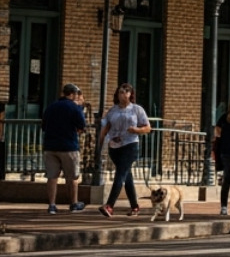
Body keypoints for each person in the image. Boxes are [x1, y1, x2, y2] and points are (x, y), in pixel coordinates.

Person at [98, 83, 151, 218]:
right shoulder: (112, 111)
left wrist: (136, 130)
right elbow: (105, 129)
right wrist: (99, 146)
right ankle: (135, 206)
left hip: (130, 144)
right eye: (121, 92)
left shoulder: (137, 109)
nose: (124, 94)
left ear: (131, 94)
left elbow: (147, 128)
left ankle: (109, 205)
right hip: (114, 146)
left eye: (127, 92)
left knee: (120, 174)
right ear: (117, 94)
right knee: (126, 176)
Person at [41, 83, 88, 214]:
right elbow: (82, 125)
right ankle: (73, 204)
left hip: (50, 146)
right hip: (68, 146)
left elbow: (43, 126)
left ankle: (51, 205)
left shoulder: (51, 106)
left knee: (52, 177)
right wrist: (81, 107)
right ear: (72, 94)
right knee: (72, 177)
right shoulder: (74, 107)